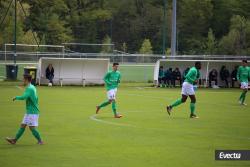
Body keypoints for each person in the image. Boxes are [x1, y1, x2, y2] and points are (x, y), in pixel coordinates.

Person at [5, 74, 43, 145]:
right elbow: (35, 98)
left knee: (32, 128)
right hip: (29, 111)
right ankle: (14, 140)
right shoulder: (32, 87)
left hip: (32, 112)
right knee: (22, 125)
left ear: (26, 80)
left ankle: (40, 141)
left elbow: (24, 97)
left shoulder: (30, 88)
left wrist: (16, 97)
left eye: (23, 79)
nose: (23, 80)